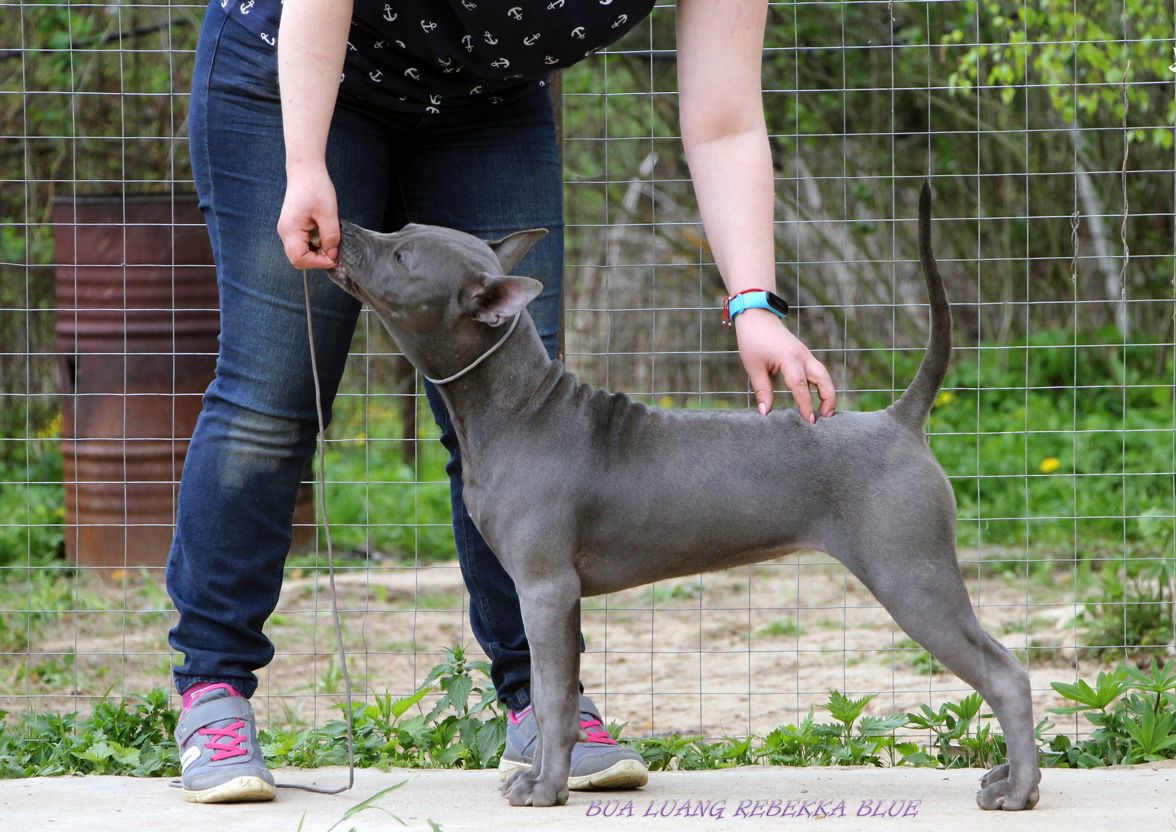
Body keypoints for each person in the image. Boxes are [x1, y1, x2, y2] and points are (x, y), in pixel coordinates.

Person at [166, 0, 837, 804]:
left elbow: (725, 122)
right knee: (269, 404)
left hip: (485, 101)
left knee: (525, 411)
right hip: (302, 71)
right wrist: (304, 161)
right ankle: (213, 692)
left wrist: (752, 302)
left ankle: (540, 707)